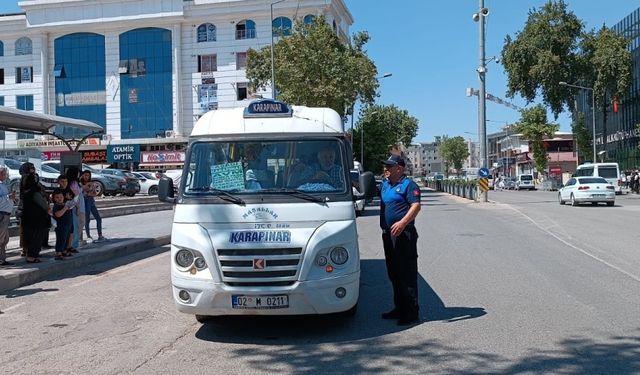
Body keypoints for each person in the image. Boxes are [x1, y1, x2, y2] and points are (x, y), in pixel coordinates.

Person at [379, 154, 422, 325]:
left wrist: (403, 222)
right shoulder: (385, 185)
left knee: (406, 274)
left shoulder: (408, 185)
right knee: (394, 273)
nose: (386, 170)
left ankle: (411, 312)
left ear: (399, 168)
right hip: (388, 235)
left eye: (389, 167)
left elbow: (416, 206)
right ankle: (399, 308)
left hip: (403, 235)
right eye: (385, 167)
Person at [21, 173, 50, 263]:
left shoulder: (25, 192)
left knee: (29, 237)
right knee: (37, 238)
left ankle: (30, 255)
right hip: (38, 219)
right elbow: (44, 205)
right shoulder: (35, 193)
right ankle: (32, 256)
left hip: (27, 218)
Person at [51, 189, 75, 260]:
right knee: (61, 239)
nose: (59, 199)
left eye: (61, 197)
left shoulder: (65, 204)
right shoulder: (56, 206)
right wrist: (65, 208)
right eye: (57, 197)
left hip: (68, 225)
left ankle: (64, 251)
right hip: (61, 226)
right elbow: (58, 214)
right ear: (54, 199)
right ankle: (58, 253)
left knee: (66, 239)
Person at [81, 170, 104, 241]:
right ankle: (88, 235)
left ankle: (100, 235)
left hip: (91, 201)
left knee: (98, 218)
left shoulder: (91, 183)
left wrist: (91, 192)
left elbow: (94, 193)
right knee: (87, 219)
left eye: (88, 175)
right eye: (85, 175)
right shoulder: (80, 184)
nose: (86, 177)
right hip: (85, 201)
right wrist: (87, 191)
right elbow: (82, 193)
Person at [0, 166, 16, 266]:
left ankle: (2, 259)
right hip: (1, 214)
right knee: (1, 238)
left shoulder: (3, 185)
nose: (6, 176)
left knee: (4, 239)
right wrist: (8, 197)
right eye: (4, 174)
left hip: (5, 214)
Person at [66, 166, 85, 251]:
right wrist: (77, 207)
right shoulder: (73, 183)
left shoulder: (75, 183)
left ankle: (73, 244)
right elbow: (76, 196)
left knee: (77, 225)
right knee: (76, 226)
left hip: (79, 206)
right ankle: (73, 245)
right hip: (77, 206)